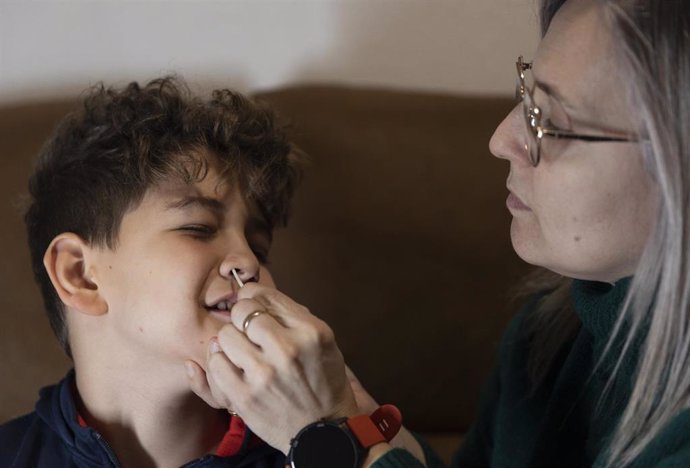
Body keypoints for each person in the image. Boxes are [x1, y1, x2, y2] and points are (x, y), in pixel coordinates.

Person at [186, 0, 690, 467]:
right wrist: (347, 408)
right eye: (526, 95)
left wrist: (323, 436)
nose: (500, 139)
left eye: (547, 121)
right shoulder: (548, 335)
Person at [0, 77, 306, 467]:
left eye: (259, 249)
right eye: (198, 228)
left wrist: (329, 428)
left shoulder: (321, 442)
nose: (248, 263)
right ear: (81, 274)